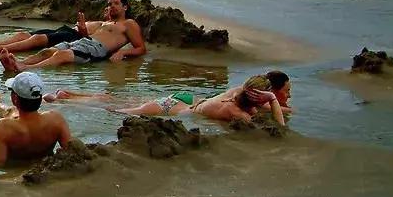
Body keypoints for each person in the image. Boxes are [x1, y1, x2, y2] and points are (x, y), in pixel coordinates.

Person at [0, 0, 146, 70]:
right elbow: (94, 36)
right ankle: (19, 64)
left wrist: (123, 53)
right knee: (48, 51)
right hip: (85, 42)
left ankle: (24, 68)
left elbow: (141, 48)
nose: (111, 7)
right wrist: (83, 32)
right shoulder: (108, 22)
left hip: (96, 49)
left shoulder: (130, 24)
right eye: (109, 4)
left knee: (60, 56)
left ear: (125, 7)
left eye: (116, 3)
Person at [111, 72, 291, 126]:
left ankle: (92, 99)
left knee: (117, 101)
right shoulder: (234, 111)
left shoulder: (238, 93)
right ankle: (86, 105)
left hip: (186, 100)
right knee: (115, 111)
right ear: (259, 97)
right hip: (171, 108)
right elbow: (280, 129)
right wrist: (274, 99)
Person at [0, 72, 72, 166]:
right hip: (44, 167)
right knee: (13, 112)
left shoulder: (4, 127)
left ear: (14, 98)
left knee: (12, 113)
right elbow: (73, 151)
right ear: (40, 98)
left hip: (16, 171)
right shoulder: (56, 120)